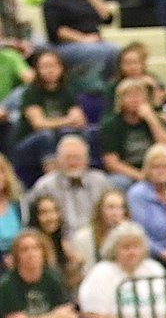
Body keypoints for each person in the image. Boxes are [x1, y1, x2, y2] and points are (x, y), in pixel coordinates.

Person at [10, 50, 84, 178]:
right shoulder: (31, 92)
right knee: (46, 136)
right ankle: (53, 179)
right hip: (27, 144)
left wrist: (67, 122)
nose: (50, 70)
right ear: (36, 70)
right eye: (45, 66)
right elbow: (39, 124)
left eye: (53, 66)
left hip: (56, 137)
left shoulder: (67, 91)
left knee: (77, 134)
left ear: (61, 68)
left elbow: (80, 121)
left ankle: (79, 175)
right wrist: (67, 120)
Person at [27, 136, 109, 240]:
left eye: (77, 157)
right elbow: (33, 223)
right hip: (60, 243)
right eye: (68, 158)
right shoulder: (45, 186)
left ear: (87, 160)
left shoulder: (100, 182)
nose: (73, 162)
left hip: (97, 241)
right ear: (58, 160)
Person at [71, 189, 129, 276]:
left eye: (120, 208)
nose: (115, 213)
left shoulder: (129, 233)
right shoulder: (83, 237)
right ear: (100, 210)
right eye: (110, 207)